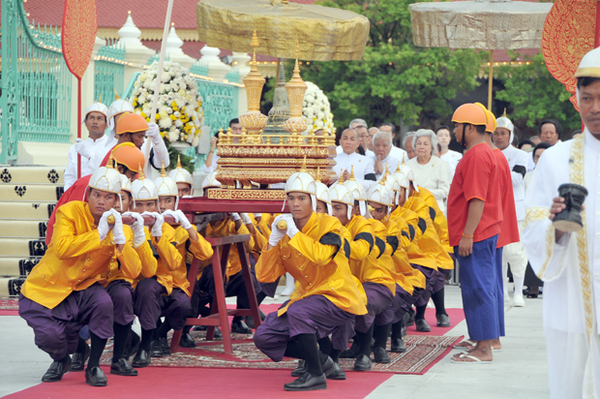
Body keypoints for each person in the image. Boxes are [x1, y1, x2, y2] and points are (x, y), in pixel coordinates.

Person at [521, 47, 600, 398]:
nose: (595, 108)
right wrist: (555, 226)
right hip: (572, 296)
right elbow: (532, 220)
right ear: (577, 100)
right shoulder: (554, 160)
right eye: (587, 98)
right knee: (573, 383)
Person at [19, 165, 140, 386]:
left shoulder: (119, 226)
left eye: (108, 197)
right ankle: (62, 358)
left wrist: (121, 242)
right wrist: (100, 234)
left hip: (84, 287)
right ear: (88, 195)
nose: (101, 201)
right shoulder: (70, 211)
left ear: (116, 202)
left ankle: (93, 366)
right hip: (49, 286)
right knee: (50, 337)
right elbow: (63, 249)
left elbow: (133, 272)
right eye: (96, 195)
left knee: (104, 303)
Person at [253, 166, 367, 391]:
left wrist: (295, 234)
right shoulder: (284, 229)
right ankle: (323, 362)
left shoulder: (329, 224)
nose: (295, 203)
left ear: (313, 201)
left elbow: (322, 257)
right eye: (291, 198)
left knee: (299, 312)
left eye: (302, 198)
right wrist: (273, 241)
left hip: (337, 296)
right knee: (264, 337)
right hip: (307, 297)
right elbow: (264, 275)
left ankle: (315, 374)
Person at [447, 103, 502, 363]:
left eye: (457, 125)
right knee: (477, 288)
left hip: (476, 235)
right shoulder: (479, 152)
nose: (455, 130)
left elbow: (477, 199)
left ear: (469, 127)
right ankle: (482, 341)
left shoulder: (478, 155)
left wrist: (467, 235)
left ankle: (484, 348)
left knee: (479, 289)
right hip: (478, 233)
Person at [129, 168, 187, 367]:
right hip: (135, 283)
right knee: (144, 288)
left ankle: (158, 335)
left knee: (183, 304)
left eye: (150, 204)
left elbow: (172, 263)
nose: (146, 210)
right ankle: (144, 345)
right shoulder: (126, 227)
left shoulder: (166, 228)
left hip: (165, 282)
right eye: (140, 205)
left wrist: (158, 236)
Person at [45, 144, 146, 245]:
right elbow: (75, 219)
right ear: (119, 169)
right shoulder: (87, 184)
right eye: (132, 175)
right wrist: (99, 234)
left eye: (108, 197)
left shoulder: (118, 189)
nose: (133, 180)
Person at [493, 112, 530, 306]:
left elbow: (517, 178)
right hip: (494, 211)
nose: (499, 137)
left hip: (515, 210)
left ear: (511, 136)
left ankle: (518, 292)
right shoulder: (489, 153)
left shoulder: (521, 155)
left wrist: (495, 172)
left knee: (516, 252)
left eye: (503, 133)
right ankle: (503, 292)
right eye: (496, 133)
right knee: (498, 253)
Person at [64, 101, 110, 190]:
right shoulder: (75, 148)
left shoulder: (111, 147)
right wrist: (69, 194)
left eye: (99, 118)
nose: (95, 122)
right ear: (85, 122)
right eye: (91, 118)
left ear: (107, 124)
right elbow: (70, 177)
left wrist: (89, 155)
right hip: (79, 193)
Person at [407, 129, 452, 214]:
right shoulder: (408, 165)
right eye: (419, 144)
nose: (421, 147)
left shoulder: (441, 164)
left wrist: (423, 192)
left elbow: (445, 191)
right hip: (413, 210)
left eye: (426, 144)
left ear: (432, 147)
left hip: (435, 210)